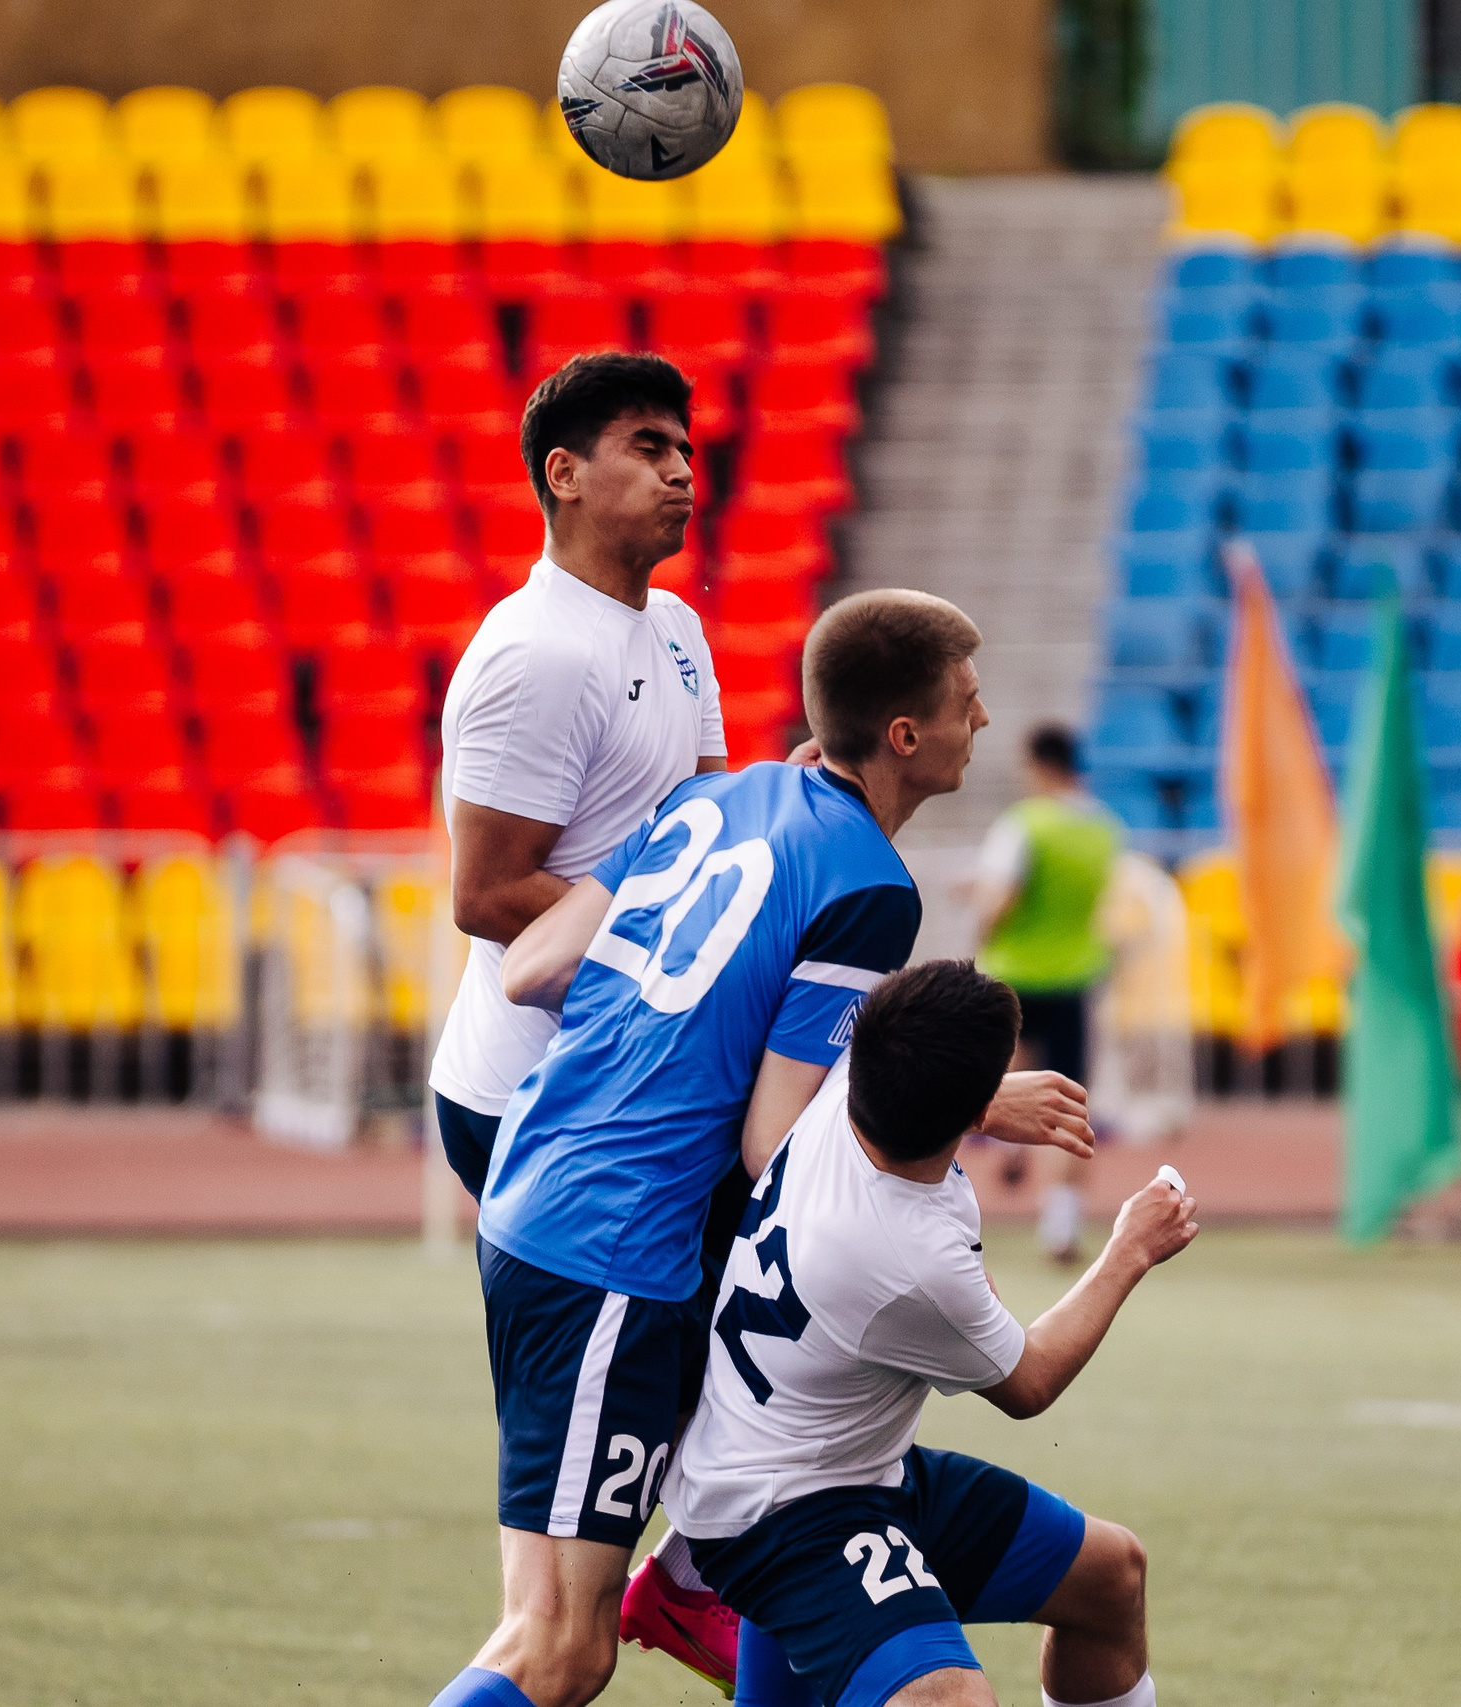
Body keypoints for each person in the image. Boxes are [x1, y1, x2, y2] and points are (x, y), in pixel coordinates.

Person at [429, 592, 1095, 1707]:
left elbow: (535, 967)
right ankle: (689, 1578)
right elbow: (774, 1140)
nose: (981, 723)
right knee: (557, 1646)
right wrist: (968, 1099)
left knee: (770, 1474)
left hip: (538, 1188)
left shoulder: (714, 797)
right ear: (904, 736)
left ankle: (691, 1577)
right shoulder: (870, 889)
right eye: (965, 705)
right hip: (615, 1252)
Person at [663, 959, 1196, 1707]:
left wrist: (983, 1102)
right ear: (967, 1110)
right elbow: (1030, 1378)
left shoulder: (840, 1082)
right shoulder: (908, 1257)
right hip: (787, 1515)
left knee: (1112, 1577)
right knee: (948, 1699)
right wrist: (1130, 1248)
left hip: (848, 1467)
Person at [428, 351, 726, 1203]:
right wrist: (681, 955)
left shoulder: (675, 624)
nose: (679, 471)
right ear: (564, 474)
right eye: (647, 447)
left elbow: (701, 824)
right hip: (534, 1093)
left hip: (627, 1075)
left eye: (685, 452)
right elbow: (484, 896)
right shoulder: (537, 654)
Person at [975, 723, 1121, 1261]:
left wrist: (979, 925)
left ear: (1039, 765)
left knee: (1007, 1074)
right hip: (1075, 975)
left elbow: (1001, 901)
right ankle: (1060, 1227)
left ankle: (1009, 1142)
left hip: (1013, 974)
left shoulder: (1023, 825)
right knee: (1069, 1098)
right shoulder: (1104, 830)